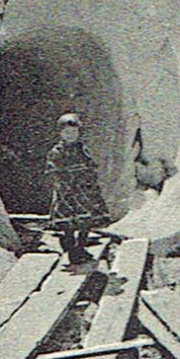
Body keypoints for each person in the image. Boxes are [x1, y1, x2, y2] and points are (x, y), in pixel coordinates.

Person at [44, 113, 109, 266]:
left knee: (85, 221)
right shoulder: (57, 152)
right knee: (68, 224)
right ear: (60, 133)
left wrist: (88, 176)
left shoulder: (82, 150)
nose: (70, 135)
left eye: (74, 132)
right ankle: (72, 249)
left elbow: (91, 165)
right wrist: (63, 177)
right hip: (67, 192)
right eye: (67, 132)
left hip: (83, 192)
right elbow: (52, 170)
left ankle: (81, 247)